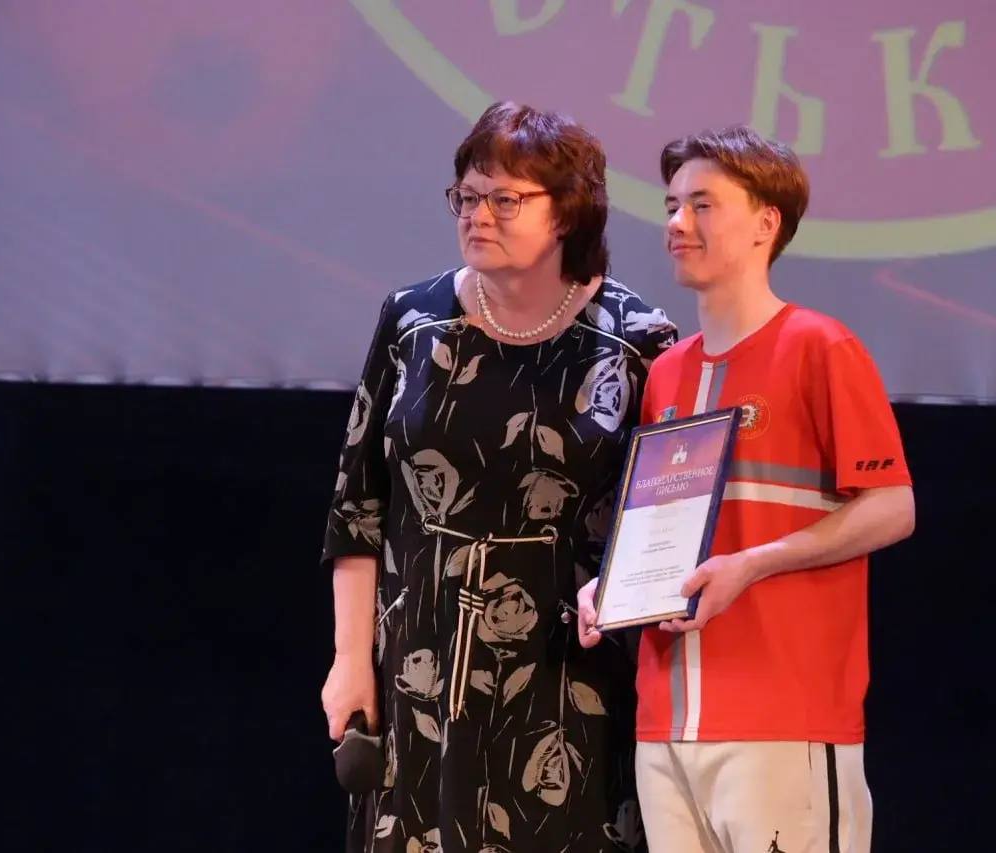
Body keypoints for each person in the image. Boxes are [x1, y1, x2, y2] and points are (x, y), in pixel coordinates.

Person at [321, 101, 677, 853]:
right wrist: (350, 661)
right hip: (419, 658)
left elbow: (659, 523)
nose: (477, 215)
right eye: (468, 196)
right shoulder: (411, 318)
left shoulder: (638, 340)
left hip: (567, 668)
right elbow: (358, 508)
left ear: (568, 211)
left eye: (505, 199)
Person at [577, 126, 916, 853]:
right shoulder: (666, 373)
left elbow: (893, 507)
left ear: (766, 223)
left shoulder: (820, 347)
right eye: (671, 205)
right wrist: (613, 586)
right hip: (666, 727)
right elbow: (663, 532)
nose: (677, 223)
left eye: (702, 204)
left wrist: (753, 564)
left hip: (784, 719)